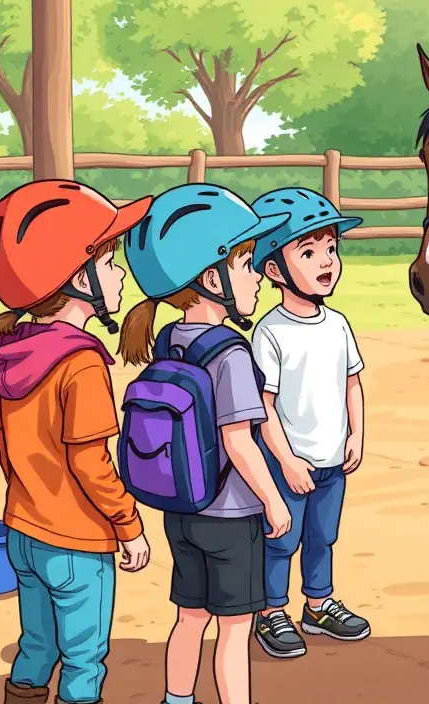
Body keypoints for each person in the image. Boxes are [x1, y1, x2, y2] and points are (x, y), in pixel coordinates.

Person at [0, 180, 153, 704]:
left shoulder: (15, 353)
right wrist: (129, 525)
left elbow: (4, 445)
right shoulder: (81, 361)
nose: (120, 273)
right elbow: (91, 461)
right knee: (83, 659)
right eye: (110, 262)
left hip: (23, 530)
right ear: (80, 277)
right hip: (76, 539)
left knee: (36, 645)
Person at [117, 183, 292, 704]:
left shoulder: (171, 338)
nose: (258, 273)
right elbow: (238, 440)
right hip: (230, 514)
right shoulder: (231, 353)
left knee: (189, 617)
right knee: (235, 628)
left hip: (181, 509)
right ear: (212, 278)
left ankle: (177, 699)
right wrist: (274, 500)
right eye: (245, 261)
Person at [247, 187, 370, 659]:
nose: (327, 261)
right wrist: (287, 460)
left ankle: (318, 604)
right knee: (281, 540)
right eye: (309, 250)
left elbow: (351, 384)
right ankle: (271, 609)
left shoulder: (337, 324)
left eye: (331, 249)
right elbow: (264, 406)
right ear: (274, 270)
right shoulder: (271, 332)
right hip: (288, 464)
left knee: (324, 536)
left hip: (332, 460)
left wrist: (357, 434)